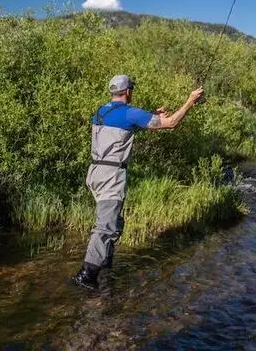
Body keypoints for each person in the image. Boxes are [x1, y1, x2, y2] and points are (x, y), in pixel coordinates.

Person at [73, 75, 204, 291]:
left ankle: (103, 263)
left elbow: (125, 125)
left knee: (114, 222)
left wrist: (152, 115)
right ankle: (87, 274)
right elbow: (171, 124)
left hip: (95, 172)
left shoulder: (101, 111)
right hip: (111, 175)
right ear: (128, 91)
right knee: (106, 226)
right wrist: (190, 101)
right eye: (131, 89)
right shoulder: (130, 113)